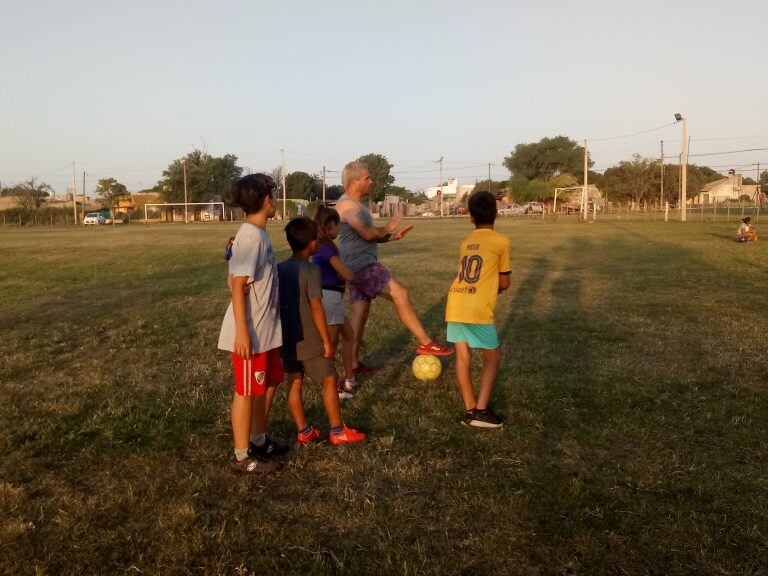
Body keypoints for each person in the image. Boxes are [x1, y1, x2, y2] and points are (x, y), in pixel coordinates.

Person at [336, 161, 454, 373]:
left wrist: (390, 237)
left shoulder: (359, 204)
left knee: (360, 315)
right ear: (355, 182)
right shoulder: (347, 206)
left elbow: (368, 237)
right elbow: (366, 232)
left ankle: (351, 365)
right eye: (367, 178)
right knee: (400, 293)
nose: (371, 181)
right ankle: (425, 342)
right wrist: (387, 227)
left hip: (356, 265)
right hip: (361, 266)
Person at [217, 174, 287, 474]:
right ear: (266, 200)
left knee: (264, 386)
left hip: (265, 332)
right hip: (250, 334)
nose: (274, 200)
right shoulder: (250, 236)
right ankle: (242, 457)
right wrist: (243, 335)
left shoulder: (256, 234)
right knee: (245, 391)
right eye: (273, 194)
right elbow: (237, 284)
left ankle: (258, 440)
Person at [277, 217, 366, 446]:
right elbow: (316, 306)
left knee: (294, 382)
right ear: (313, 243)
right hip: (309, 338)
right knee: (329, 378)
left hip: (287, 338)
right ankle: (337, 431)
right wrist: (326, 341)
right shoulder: (311, 269)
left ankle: (304, 431)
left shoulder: (280, 268)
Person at [445, 191, 511, 428]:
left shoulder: (466, 242)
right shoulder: (501, 242)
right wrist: (492, 292)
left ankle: (469, 409)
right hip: (476, 308)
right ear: (496, 214)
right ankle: (481, 412)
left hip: (455, 301)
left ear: (470, 217)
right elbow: (504, 282)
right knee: (492, 357)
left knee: (463, 357)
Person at [312, 205, 358, 399]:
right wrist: (344, 272)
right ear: (330, 225)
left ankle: (350, 378)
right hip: (330, 299)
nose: (339, 230)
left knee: (348, 335)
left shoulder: (318, 247)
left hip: (330, 298)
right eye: (338, 226)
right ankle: (333, 387)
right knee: (329, 345)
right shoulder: (327, 248)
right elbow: (348, 274)